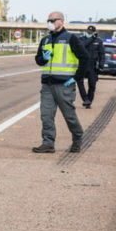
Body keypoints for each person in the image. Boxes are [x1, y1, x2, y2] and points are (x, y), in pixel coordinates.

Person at [32, 11, 89, 153]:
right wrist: (44, 58)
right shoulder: (45, 40)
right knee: (46, 115)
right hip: (47, 84)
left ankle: (77, 137)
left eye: (53, 20)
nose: (50, 22)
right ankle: (48, 143)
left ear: (62, 21)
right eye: (48, 20)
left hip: (64, 84)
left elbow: (85, 58)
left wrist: (76, 78)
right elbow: (39, 60)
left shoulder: (71, 38)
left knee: (69, 115)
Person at [76, 25, 104, 109]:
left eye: (91, 32)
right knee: (79, 82)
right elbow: (82, 46)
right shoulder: (81, 39)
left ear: (94, 32)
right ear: (86, 31)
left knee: (92, 85)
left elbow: (101, 53)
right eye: (88, 31)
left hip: (92, 65)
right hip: (82, 64)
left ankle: (89, 101)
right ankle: (85, 99)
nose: (89, 33)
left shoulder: (98, 41)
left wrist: (101, 64)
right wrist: (92, 38)